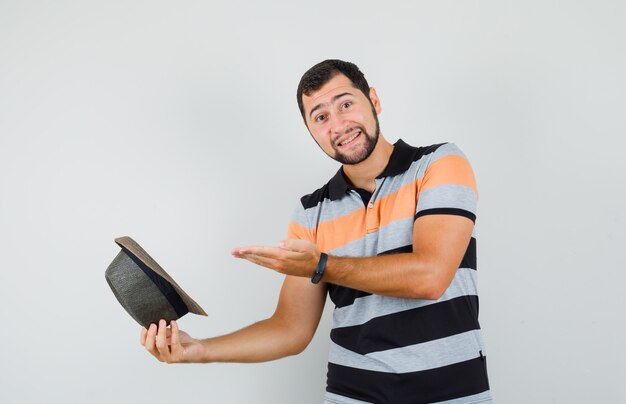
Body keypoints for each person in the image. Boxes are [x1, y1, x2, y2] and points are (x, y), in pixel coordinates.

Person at [140, 59, 492, 404]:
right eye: (320, 116)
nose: (337, 124)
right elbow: (291, 329)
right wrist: (199, 350)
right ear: (312, 131)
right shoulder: (311, 212)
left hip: (453, 394)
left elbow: (430, 277)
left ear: (374, 100)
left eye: (346, 104)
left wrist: (321, 265)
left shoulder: (440, 164)